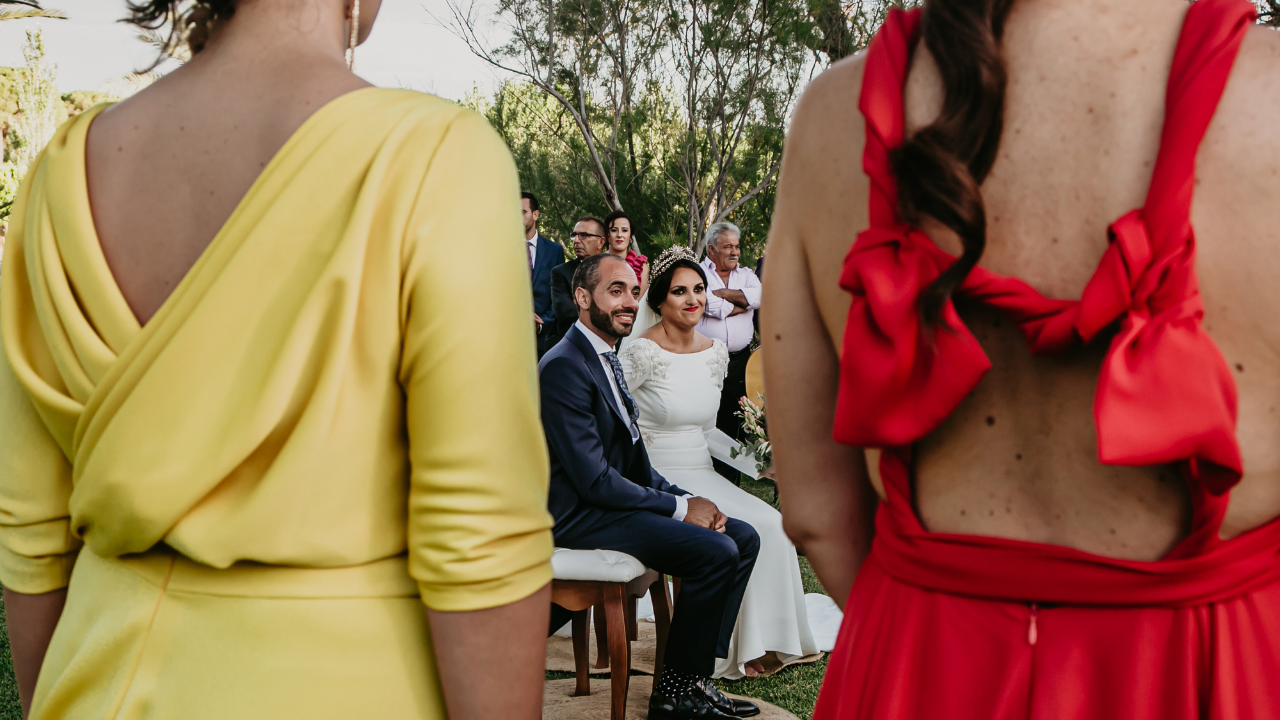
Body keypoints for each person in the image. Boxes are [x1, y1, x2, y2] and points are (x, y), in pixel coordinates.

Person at [0, 1, 554, 718]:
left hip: (98, 684)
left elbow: (32, 531)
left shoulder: (56, 173)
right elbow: (482, 545)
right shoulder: (437, 157)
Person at [763, 0, 1280, 718]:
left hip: (915, 675)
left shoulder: (829, 117)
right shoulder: (1270, 99)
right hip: (1214, 676)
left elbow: (818, 511)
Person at [539, 253, 761, 720]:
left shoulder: (607, 355)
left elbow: (634, 462)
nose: (628, 301)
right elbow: (595, 479)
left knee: (743, 535)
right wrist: (680, 512)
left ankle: (692, 679)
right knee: (714, 552)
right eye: (614, 291)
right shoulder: (564, 366)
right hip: (581, 516)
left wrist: (685, 499)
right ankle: (674, 697)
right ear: (582, 298)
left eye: (632, 291)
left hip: (610, 505)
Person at [619, 246, 826, 680]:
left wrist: (761, 467)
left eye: (699, 289)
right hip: (660, 476)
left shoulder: (715, 353)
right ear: (659, 300)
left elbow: (709, 432)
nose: (693, 299)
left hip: (703, 469)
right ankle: (729, 651)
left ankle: (768, 641)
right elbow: (618, 427)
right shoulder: (639, 354)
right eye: (679, 291)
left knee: (771, 522)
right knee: (736, 529)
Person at [697, 223, 762, 483]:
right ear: (712, 249)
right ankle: (708, 479)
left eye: (737, 246)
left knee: (737, 421)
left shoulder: (746, 274)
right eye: (728, 247)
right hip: (705, 359)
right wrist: (741, 303)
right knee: (709, 418)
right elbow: (707, 305)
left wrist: (722, 294)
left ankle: (732, 482)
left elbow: (760, 297)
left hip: (739, 361)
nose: (735, 252)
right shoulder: (698, 272)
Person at [548, 215, 606, 347]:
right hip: (569, 344)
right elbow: (565, 311)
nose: (576, 240)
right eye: (574, 235)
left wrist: (582, 304)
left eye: (584, 235)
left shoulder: (614, 270)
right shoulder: (561, 272)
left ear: (601, 242)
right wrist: (602, 310)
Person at [522, 191, 566, 357]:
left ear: (535, 214)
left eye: (523, 212)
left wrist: (540, 324)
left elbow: (559, 296)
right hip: (508, 338)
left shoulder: (554, 251)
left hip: (544, 340)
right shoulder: (502, 249)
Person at [604, 209, 649, 295]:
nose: (619, 235)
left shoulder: (640, 267)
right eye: (614, 230)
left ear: (630, 236)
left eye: (624, 230)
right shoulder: (596, 263)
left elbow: (640, 301)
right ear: (607, 235)